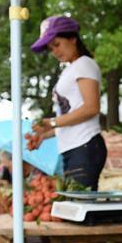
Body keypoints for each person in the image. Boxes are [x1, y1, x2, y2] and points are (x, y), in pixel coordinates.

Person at [26, 15, 106, 190]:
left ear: (72, 38)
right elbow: (71, 116)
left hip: (85, 145)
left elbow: (91, 108)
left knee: (80, 205)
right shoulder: (71, 68)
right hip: (74, 147)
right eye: (50, 48)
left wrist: (51, 122)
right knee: (74, 205)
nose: (54, 51)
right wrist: (44, 135)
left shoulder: (84, 64)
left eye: (57, 44)